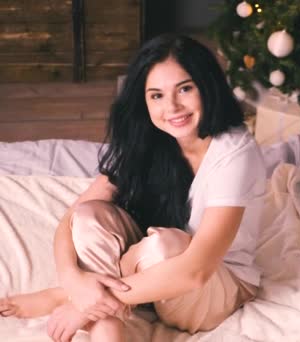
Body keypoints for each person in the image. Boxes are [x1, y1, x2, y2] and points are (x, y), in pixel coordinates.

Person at [0, 33, 267, 342]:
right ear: (144, 100)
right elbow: (70, 220)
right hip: (153, 277)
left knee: (164, 247)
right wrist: (73, 279)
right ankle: (107, 333)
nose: (173, 107)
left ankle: (68, 300)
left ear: (207, 86)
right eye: (156, 95)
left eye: (185, 88)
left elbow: (196, 271)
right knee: (90, 216)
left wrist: (84, 307)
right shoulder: (151, 138)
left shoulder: (234, 153)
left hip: (214, 286)